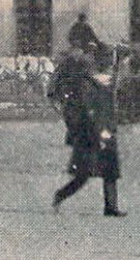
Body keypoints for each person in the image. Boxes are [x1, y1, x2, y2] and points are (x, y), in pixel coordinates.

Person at [50, 48, 126, 217]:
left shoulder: (107, 80)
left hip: (106, 131)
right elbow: (88, 110)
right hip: (90, 135)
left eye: (109, 59)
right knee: (83, 175)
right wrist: (98, 131)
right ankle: (60, 195)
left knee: (110, 171)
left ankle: (111, 207)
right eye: (106, 59)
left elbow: (110, 104)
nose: (108, 62)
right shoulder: (87, 83)